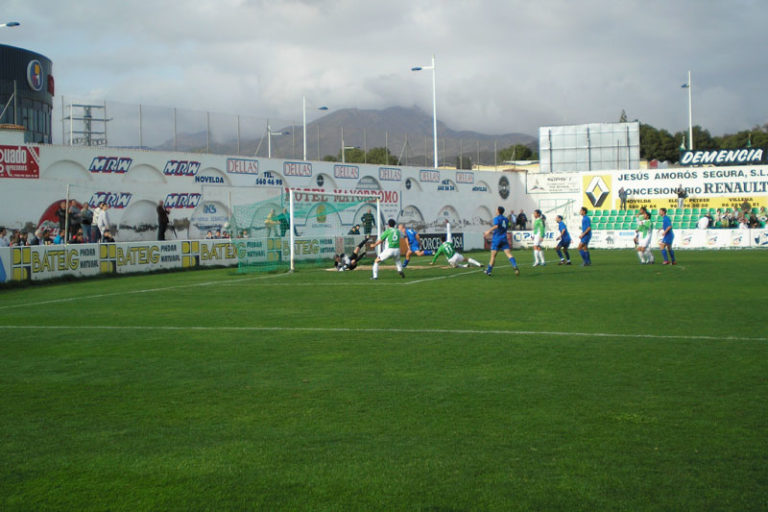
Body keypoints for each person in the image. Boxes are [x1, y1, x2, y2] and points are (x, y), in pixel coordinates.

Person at [483, 206, 520, 276]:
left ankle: (489, 270)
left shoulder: (496, 218)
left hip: (497, 239)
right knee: (508, 254)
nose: (495, 211)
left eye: (496, 210)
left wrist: (488, 231)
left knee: (493, 256)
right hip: (504, 239)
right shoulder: (506, 219)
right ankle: (514, 265)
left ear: (498, 211)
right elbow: (507, 226)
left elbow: (496, 226)